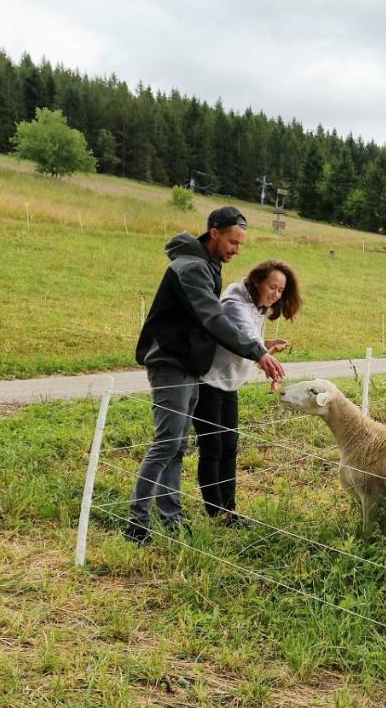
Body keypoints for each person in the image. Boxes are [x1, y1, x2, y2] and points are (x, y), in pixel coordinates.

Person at [125, 206, 285, 543]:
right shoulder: (193, 268)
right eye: (232, 241)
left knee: (178, 446)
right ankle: (137, 522)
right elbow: (214, 319)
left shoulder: (207, 265)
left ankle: (172, 517)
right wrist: (258, 352)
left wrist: (261, 344)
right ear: (214, 233)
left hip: (189, 365)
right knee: (166, 443)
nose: (236, 250)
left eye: (240, 244)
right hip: (171, 362)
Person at [194, 260, 302, 524]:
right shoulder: (234, 304)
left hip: (229, 385)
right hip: (208, 383)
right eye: (272, 287)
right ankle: (216, 511)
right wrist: (264, 356)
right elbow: (246, 336)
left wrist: (267, 345)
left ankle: (228, 510)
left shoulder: (257, 308)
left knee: (230, 446)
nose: (276, 294)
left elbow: (248, 339)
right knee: (213, 447)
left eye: (280, 290)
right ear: (257, 282)